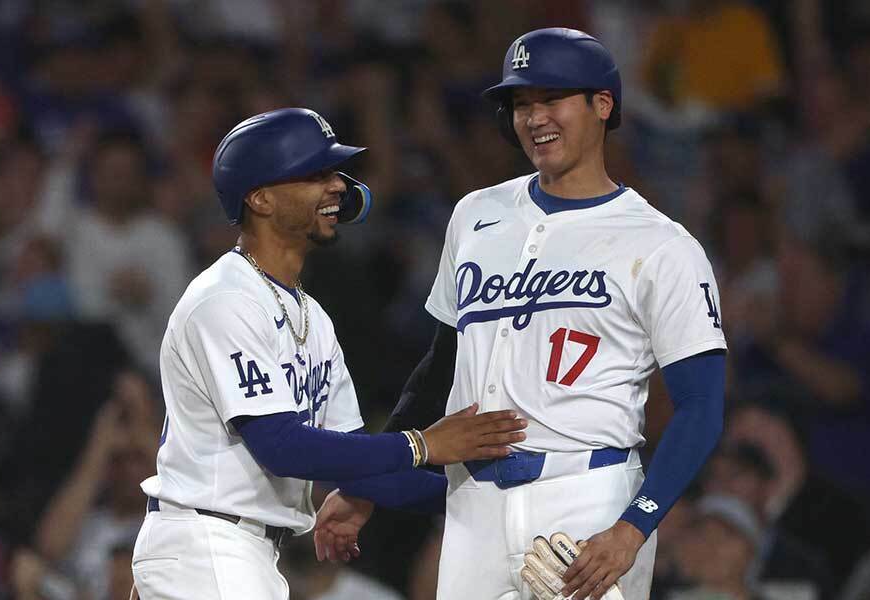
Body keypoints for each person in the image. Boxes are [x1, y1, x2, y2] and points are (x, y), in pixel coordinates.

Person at [314, 29, 727, 600]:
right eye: (520, 104)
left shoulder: (661, 244)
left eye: (550, 99)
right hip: (470, 506)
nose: (533, 118)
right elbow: (439, 372)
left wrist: (634, 526)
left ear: (602, 105)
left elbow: (701, 406)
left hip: (586, 497)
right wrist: (371, 486)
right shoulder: (476, 214)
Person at [129, 107, 528, 599]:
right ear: (261, 198)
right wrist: (424, 445)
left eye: (335, 172)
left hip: (240, 552)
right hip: (205, 545)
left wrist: (498, 494)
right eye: (316, 174)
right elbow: (281, 445)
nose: (338, 186)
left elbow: (356, 460)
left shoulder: (311, 316)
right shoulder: (226, 298)